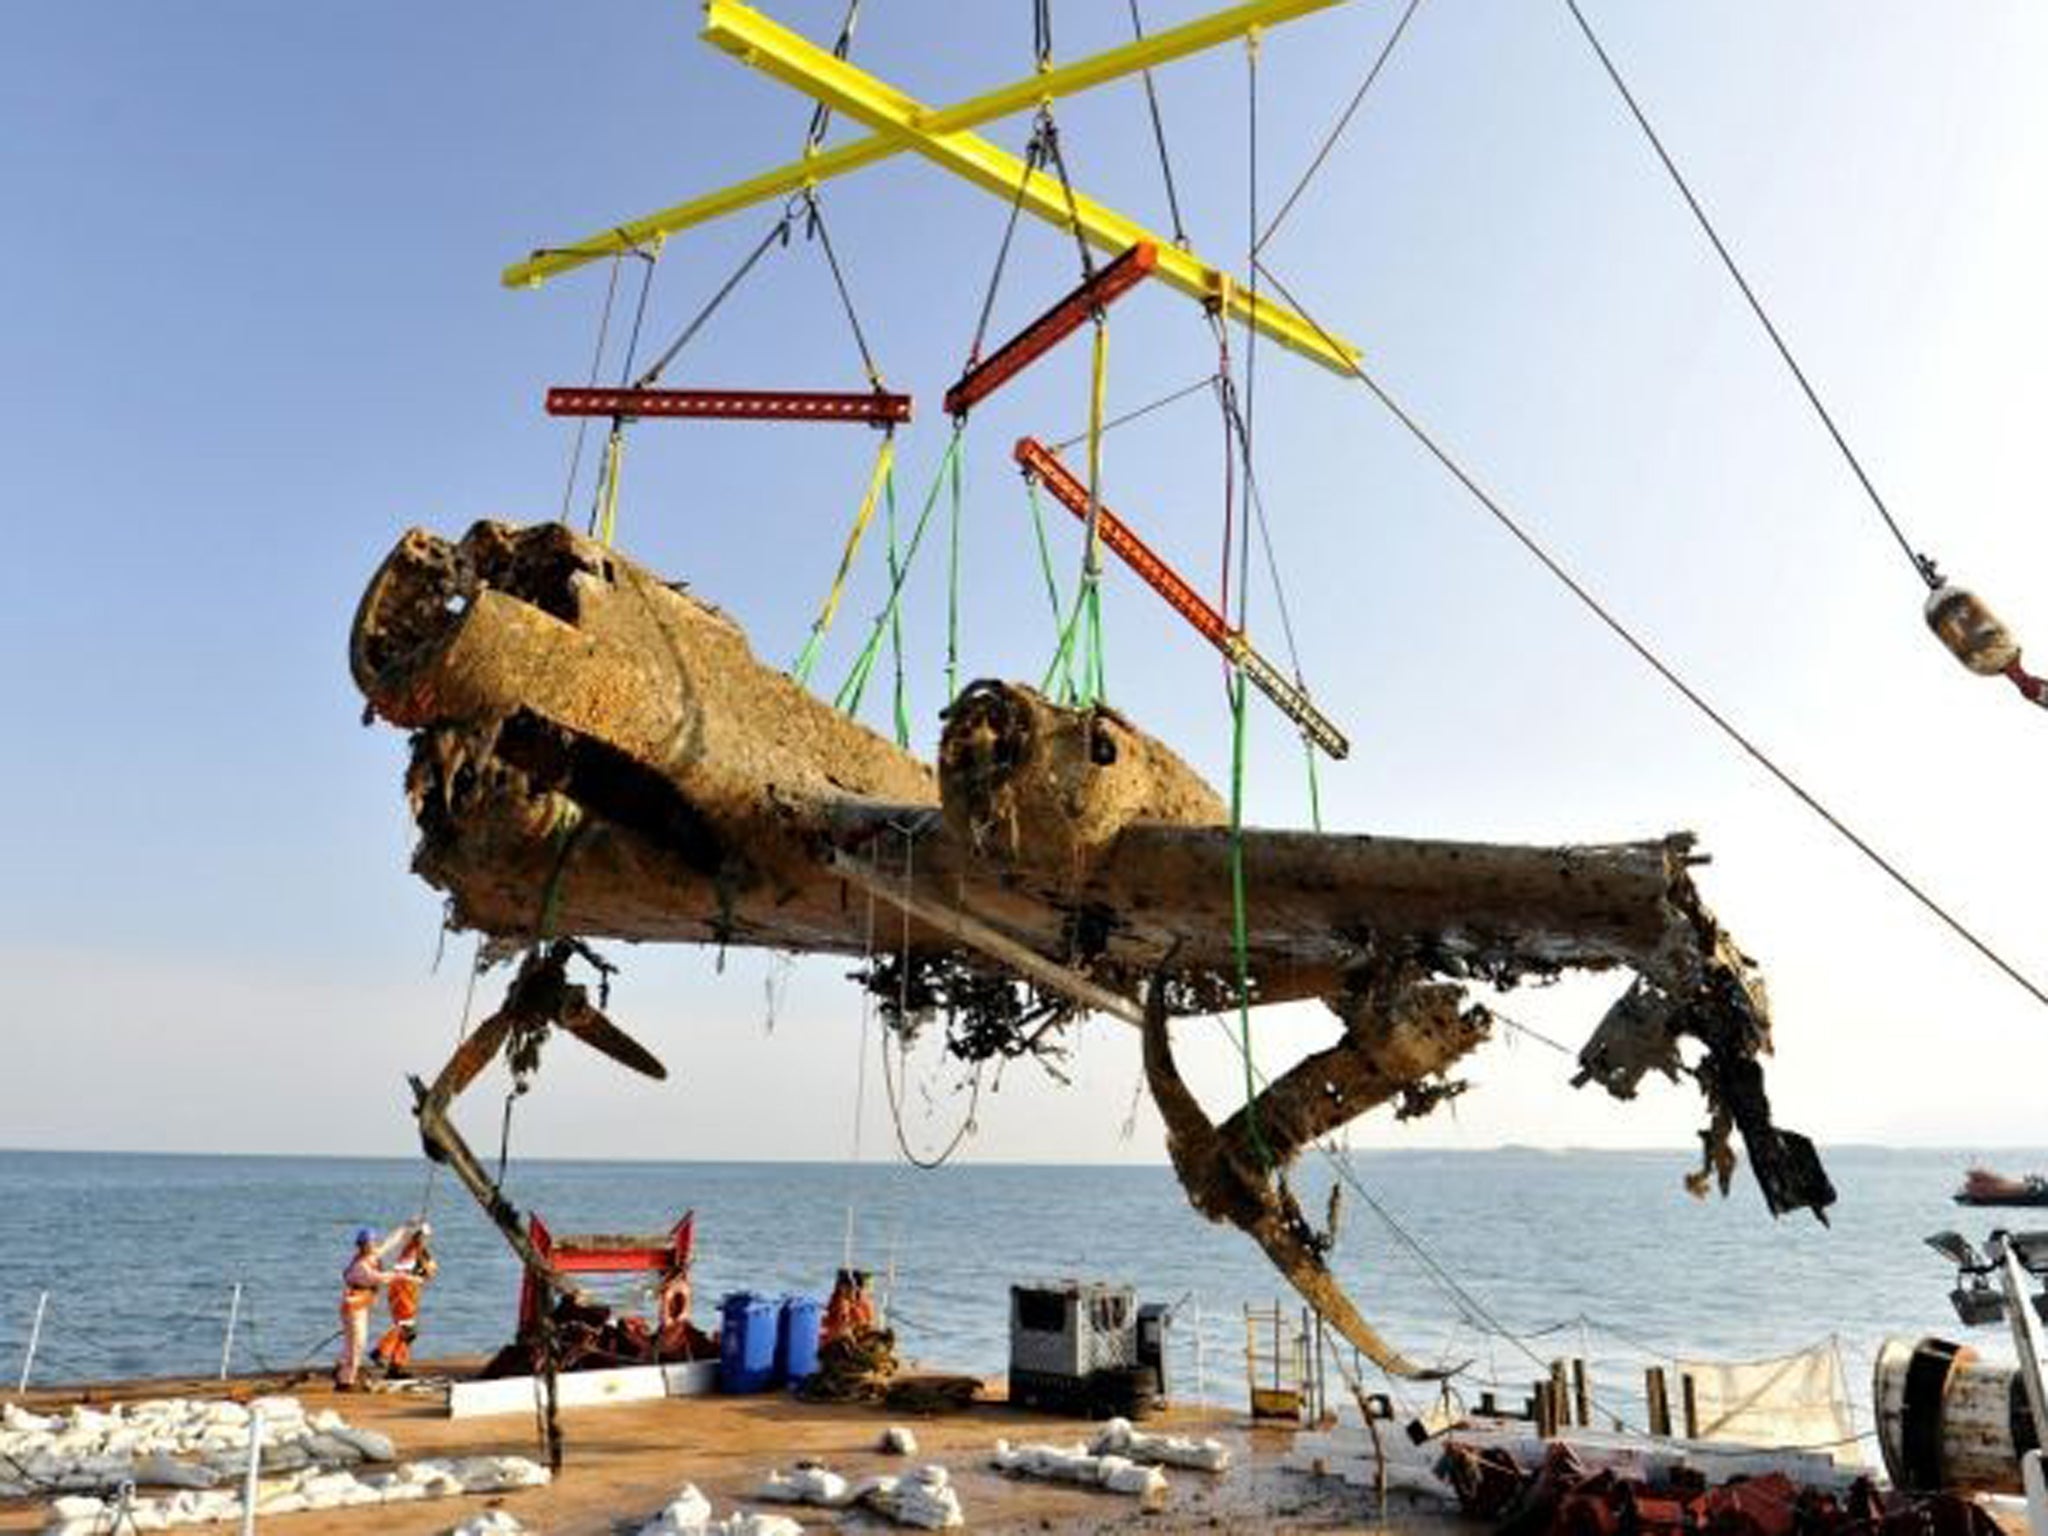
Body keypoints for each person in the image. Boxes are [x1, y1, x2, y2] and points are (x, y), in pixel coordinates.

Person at [335, 1222, 418, 1390]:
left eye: (373, 1242)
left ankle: (342, 1371)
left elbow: (388, 1244)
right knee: (357, 1344)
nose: (373, 1245)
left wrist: (404, 1228)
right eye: (369, 1243)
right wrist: (408, 1278)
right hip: (354, 1308)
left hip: (359, 1306)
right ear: (362, 1245)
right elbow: (382, 1277)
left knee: (354, 1344)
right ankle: (345, 1382)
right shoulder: (361, 1266)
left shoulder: (369, 1257)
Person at [370, 1226, 438, 1379]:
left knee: (409, 1332)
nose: (425, 1239)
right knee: (406, 1327)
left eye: (426, 1237)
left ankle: (396, 1367)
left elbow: (430, 1271)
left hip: (410, 1290)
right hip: (403, 1289)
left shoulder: (421, 1252)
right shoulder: (411, 1251)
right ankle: (380, 1351)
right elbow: (419, 1270)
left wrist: (426, 1269)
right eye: (423, 1237)